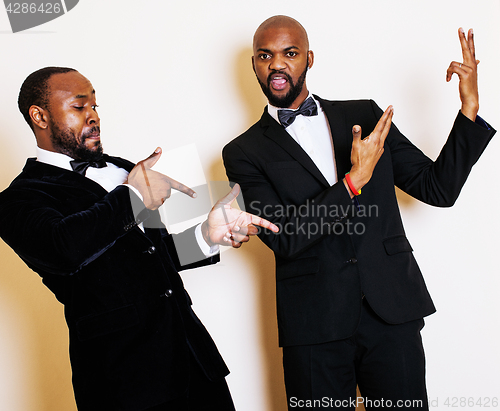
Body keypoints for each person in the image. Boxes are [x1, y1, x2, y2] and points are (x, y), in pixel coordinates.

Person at [222, 15, 496, 410]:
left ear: (309, 58)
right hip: (314, 326)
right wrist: (353, 181)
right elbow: (284, 238)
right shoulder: (242, 152)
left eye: (290, 53)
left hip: (391, 311)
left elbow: (438, 188)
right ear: (254, 64)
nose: (277, 64)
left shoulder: (366, 116)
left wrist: (469, 110)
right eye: (265, 55)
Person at [0, 67, 279, 411]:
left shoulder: (123, 170)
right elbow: (65, 249)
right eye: (79, 107)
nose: (94, 117)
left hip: (196, 364)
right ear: (39, 116)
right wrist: (132, 196)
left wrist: (207, 235)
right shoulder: (18, 199)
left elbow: (154, 255)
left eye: (96, 106)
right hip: (124, 382)